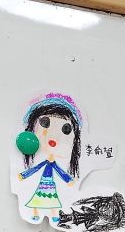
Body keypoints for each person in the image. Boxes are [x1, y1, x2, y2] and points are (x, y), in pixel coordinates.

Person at [17, 94, 82, 224]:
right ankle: (36, 214)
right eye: (45, 123)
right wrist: (24, 175)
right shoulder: (44, 161)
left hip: (49, 183)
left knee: (51, 199)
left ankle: (52, 215)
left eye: (66, 129)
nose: (54, 137)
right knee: (39, 199)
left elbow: (59, 171)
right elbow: (36, 168)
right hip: (45, 183)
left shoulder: (52, 162)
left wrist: (68, 179)